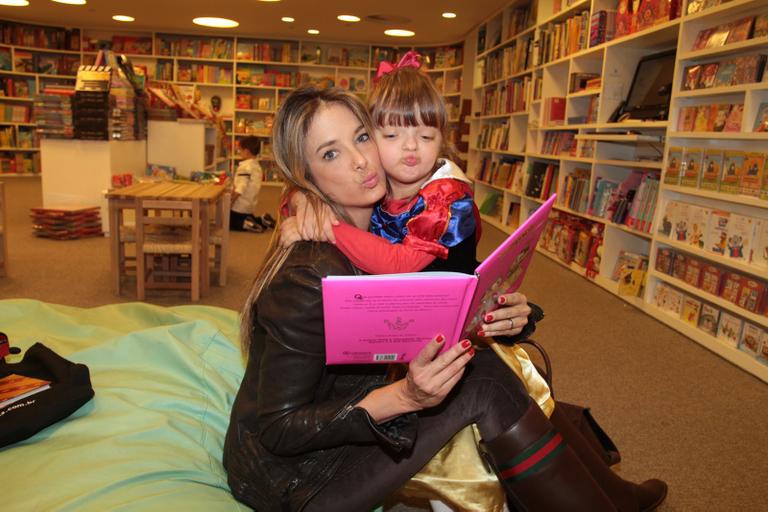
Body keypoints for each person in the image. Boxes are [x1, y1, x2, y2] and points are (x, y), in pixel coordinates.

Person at [223, 86, 666, 512]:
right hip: (296, 478)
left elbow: (437, 297)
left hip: (347, 415)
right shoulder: (306, 276)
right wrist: (406, 397)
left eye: (361, 137)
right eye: (331, 153)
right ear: (307, 176)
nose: (361, 161)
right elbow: (279, 429)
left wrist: (507, 313)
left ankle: (614, 497)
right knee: (487, 385)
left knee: (488, 363)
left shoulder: (392, 217)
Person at [229, 135, 275, 233]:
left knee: (229, 222)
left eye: (240, 150)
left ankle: (247, 224)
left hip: (239, 207)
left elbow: (240, 189)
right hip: (250, 206)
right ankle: (262, 220)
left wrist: (230, 201)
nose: (239, 153)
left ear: (246, 151)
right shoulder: (257, 166)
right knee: (248, 217)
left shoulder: (244, 167)